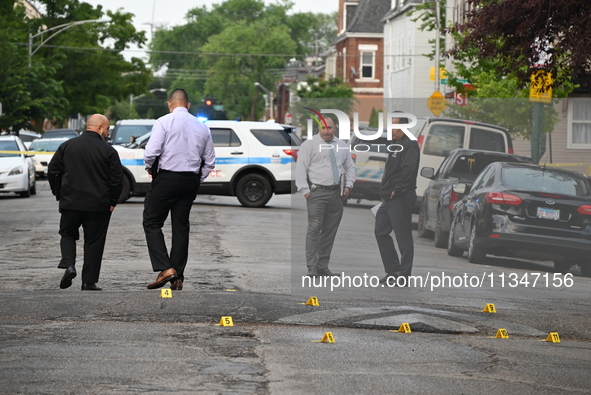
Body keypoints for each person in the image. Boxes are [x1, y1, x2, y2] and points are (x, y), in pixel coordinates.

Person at [143, 89, 215, 290]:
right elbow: (209, 161)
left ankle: (166, 269)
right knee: (181, 227)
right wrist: (196, 179)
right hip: (190, 181)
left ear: (170, 104)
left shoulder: (164, 122)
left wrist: (150, 167)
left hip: (167, 178)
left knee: (151, 221)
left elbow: (152, 151)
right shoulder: (202, 128)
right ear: (188, 105)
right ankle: (178, 277)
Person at [48, 114, 122, 291]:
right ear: (99, 128)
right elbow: (116, 180)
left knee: (67, 233)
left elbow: (52, 170)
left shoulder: (67, 146)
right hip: (98, 205)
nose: (108, 132)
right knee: (94, 241)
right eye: (107, 128)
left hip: (70, 202)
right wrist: (113, 201)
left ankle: (69, 265)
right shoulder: (109, 151)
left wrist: (58, 193)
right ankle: (89, 281)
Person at [295, 116, 356, 277]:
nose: (326, 131)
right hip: (317, 192)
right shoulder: (309, 145)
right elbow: (300, 168)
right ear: (318, 128)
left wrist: (349, 185)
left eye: (329, 127)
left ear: (335, 128)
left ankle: (323, 266)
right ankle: (312, 266)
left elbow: (349, 167)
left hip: (336, 193)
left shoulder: (342, 146)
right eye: (323, 127)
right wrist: (305, 191)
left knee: (330, 231)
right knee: (314, 229)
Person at [374, 115, 420, 286]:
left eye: (395, 127)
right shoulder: (395, 144)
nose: (391, 131)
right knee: (380, 231)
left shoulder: (410, 145)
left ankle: (404, 275)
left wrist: (397, 189)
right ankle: (393, 270)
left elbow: (408, 171)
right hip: (388, 198)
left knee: (403, 238)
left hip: (401, 197)